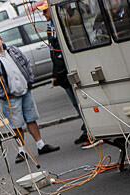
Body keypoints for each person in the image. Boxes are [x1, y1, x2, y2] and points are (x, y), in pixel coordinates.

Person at [0, 32, 60, 163]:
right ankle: (21, 151)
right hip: (10, 97)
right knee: (16, 125)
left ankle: (40, 145)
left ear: (1, 40)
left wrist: (30, 81)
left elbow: (26, 63)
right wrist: (3, 95)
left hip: (25, 92)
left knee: (31, 119)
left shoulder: (13, 50)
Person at [36, 0, 95, 148]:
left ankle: (91, 131)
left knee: (82, 102)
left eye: (45, 11)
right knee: (76, 103)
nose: (44, 14)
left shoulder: (66, 21)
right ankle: (87, 129)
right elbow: (54, 53)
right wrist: (55, 74)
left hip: (70, 70)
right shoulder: (50, 27)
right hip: (62, 72)